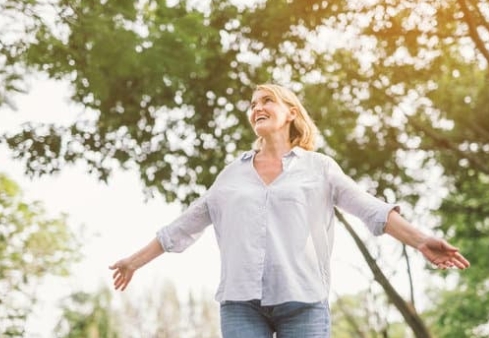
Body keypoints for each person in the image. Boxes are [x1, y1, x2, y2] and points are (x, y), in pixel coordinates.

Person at [109, 84, 470, 338]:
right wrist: (133, 261)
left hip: (304, 301)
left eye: (267, 101)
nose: (257, 108)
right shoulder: (232, 174)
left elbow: (370, 209)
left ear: (291, 114)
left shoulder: (319, 168)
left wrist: (421, 239)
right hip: (241, 304)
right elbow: (184, 225)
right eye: (252, 104)